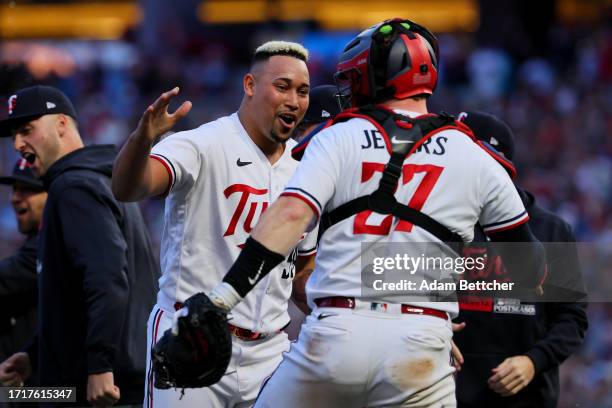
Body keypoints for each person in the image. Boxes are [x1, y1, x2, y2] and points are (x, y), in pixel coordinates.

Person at [206, 18, 547, 407]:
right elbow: (531, 268)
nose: (350, 85)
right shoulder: (473, 152)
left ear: (380, 74)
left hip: (336, 336)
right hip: (422, 343)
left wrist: (220, 300)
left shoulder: (337, 133)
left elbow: (287, 218)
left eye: (356, 74)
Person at [111, 41, 316, 407]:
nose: (294, 100)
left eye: (302, 91)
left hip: (271, 352)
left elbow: (304, 271)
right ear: (250, 85)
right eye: (282, 86)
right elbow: (129, 187)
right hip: (191, 339)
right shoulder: (201, 144)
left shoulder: (306, 170)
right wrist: (143, 138)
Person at [0, 85, 159, 407]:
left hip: (93, 386)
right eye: (15, 134)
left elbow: (107, 278)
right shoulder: (104, 180)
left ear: (61, 123)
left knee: (10, 399)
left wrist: (101, 365)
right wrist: (35, 355)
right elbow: (72, 296)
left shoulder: (74, 186)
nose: (18, 144)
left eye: (27, 130)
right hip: (97, 378)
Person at [453, 111, 588, 408]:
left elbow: (572, 319)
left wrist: (533, 361)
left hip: (527, 398)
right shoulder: (444, 225)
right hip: (448, 397)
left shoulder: (551, 230)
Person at [0, 159, 46, 373]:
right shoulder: (33, 240)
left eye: (27, 189)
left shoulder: (51, 241)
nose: (15, 197)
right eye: (15, 189)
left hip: (49, 391)